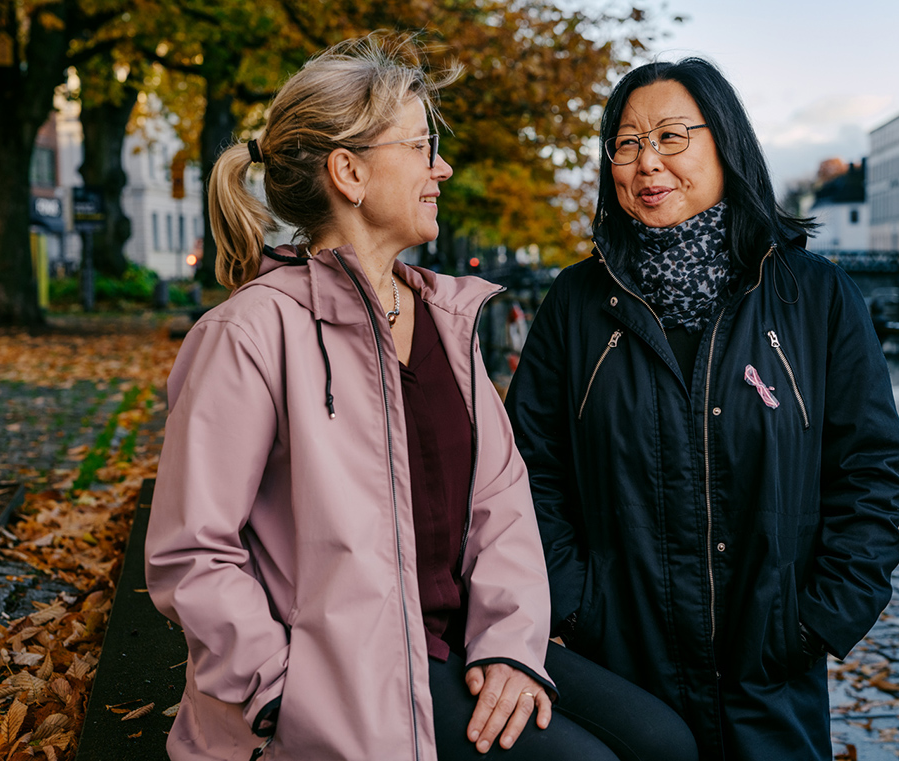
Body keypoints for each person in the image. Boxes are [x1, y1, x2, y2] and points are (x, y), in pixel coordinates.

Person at [145, 34, 697, 761]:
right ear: (349, 172)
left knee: (667, 742)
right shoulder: (250, 333)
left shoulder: (446, 317)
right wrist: (275, 689)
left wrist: (507, 644)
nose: (442, 167)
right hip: (334, 675)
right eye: (421, 147)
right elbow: (192, 551)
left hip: (453, 637)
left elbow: (502, 508)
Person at [505, 56, 899, 761]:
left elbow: (869, 468)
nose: (646, 162)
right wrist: (574, 603)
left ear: (725, 142)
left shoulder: (814, 298)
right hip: (625, 665)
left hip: (772, 673)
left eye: (669, 136)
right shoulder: (574, 306)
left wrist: (818, 618)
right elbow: (529, 468)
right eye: (626, 143)